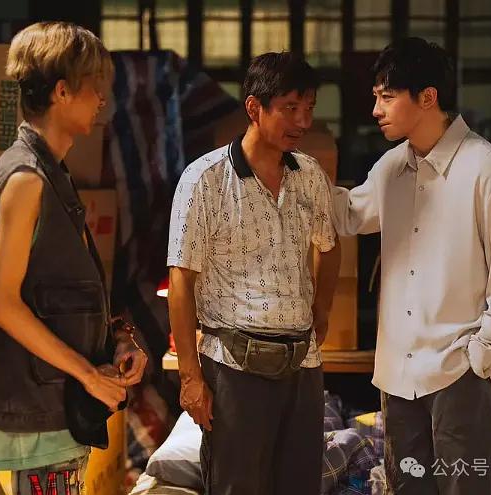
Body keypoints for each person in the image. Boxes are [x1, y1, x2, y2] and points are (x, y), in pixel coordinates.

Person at [332, 37, 491, 494]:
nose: (376, 110)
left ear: (428, 97)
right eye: (376, 97)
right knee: (407, 487)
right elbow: (348, 215)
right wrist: (289, 172)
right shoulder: (392, 167)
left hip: (458, 372)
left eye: (387, 97)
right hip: (398, 373)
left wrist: (479, 360)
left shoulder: (489, 173)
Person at [0, 22, 147, 494]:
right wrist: (88, 375)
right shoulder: (26, 178)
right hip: (40, 402)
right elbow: (2, 304)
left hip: (57, 400)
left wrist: (116, 341)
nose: (101, 99)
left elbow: (60, 292)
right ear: (62, 92)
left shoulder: (50, 171)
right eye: (94, 86)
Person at [167, 52, 341, 495]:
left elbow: (329, 245)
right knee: (238, 486)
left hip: (302, 364)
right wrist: (190, 377)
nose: (303, 121)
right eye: (290, 108)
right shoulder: (204, 179)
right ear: (253, 108)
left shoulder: (310, 175)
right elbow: (181, 279)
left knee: (299, 485)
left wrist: (322, 311)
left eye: (309, 108)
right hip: (233, 366)